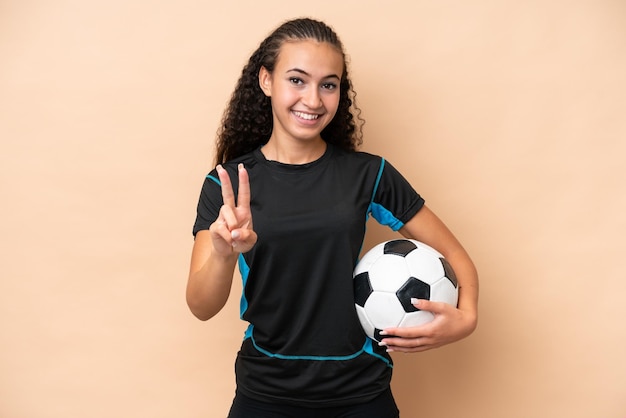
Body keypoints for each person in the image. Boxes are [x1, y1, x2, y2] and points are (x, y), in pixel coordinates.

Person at [187, 17, 478, 418]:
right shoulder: (228, 184)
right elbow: (201, 306)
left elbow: (457, 259)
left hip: (360, 395)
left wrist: (466, 320)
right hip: (265, 393)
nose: (313, 99)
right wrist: (222, 252)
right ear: (266, 81)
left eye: (329, 84)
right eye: (297, 80)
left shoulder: (369, 175)